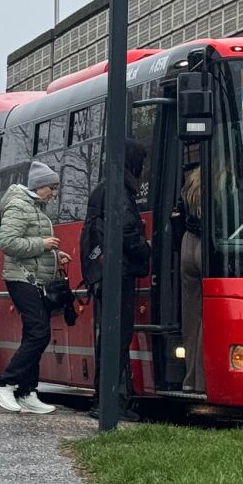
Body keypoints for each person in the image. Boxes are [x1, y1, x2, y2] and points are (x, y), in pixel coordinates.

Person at [0, 161, 68, 415]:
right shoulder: (19, 205)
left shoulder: (34, 206)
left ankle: (26, 390)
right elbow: (8, 242)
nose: (54, 193)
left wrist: (55, 254)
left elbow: (29, 243)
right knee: (39, 332)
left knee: (33, 332)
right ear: (38, 185)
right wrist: (42, 244)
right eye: (52, 188)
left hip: (33, 277)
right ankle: (4, 384)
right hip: (21, 278)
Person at [85, 139, 152, 421]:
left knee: (111, 337)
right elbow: (126, 229)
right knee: (117, 337)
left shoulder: (104, 187)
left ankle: (108, 398)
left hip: (105, 273)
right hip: (117, 274)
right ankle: (110, 401)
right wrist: (146, 248)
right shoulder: (118, 190)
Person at [177, 167, 204, 393]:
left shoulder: (191, 182)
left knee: (192, 315)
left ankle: (189, 379)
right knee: (210, 312)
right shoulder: (222, 178)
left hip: (188, 242)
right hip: (206, 244)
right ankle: (203, 379)